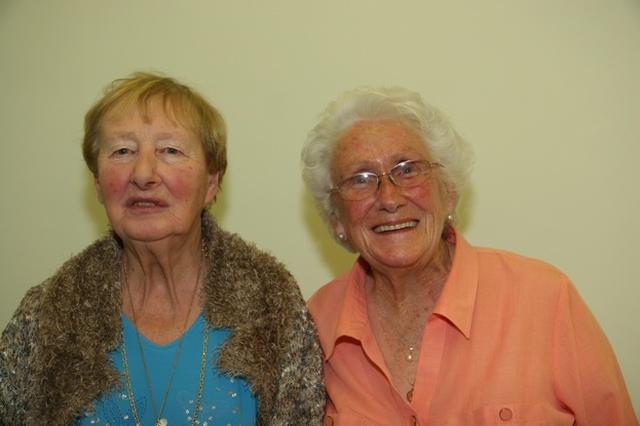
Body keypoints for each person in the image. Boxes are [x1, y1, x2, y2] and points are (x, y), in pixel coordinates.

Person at [0, 72, 325, 426]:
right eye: (123, 151)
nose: (143, 174)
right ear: (98, 183)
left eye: (170, 150)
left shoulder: (272, 304)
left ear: (211, 183)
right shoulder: (47, 316)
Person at [301, 86, 638, 425]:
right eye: (360, 179)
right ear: (336, 219)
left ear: (447, 192)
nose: (388, 197)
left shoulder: (546, 300)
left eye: (407, 169)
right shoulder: (313, 326)